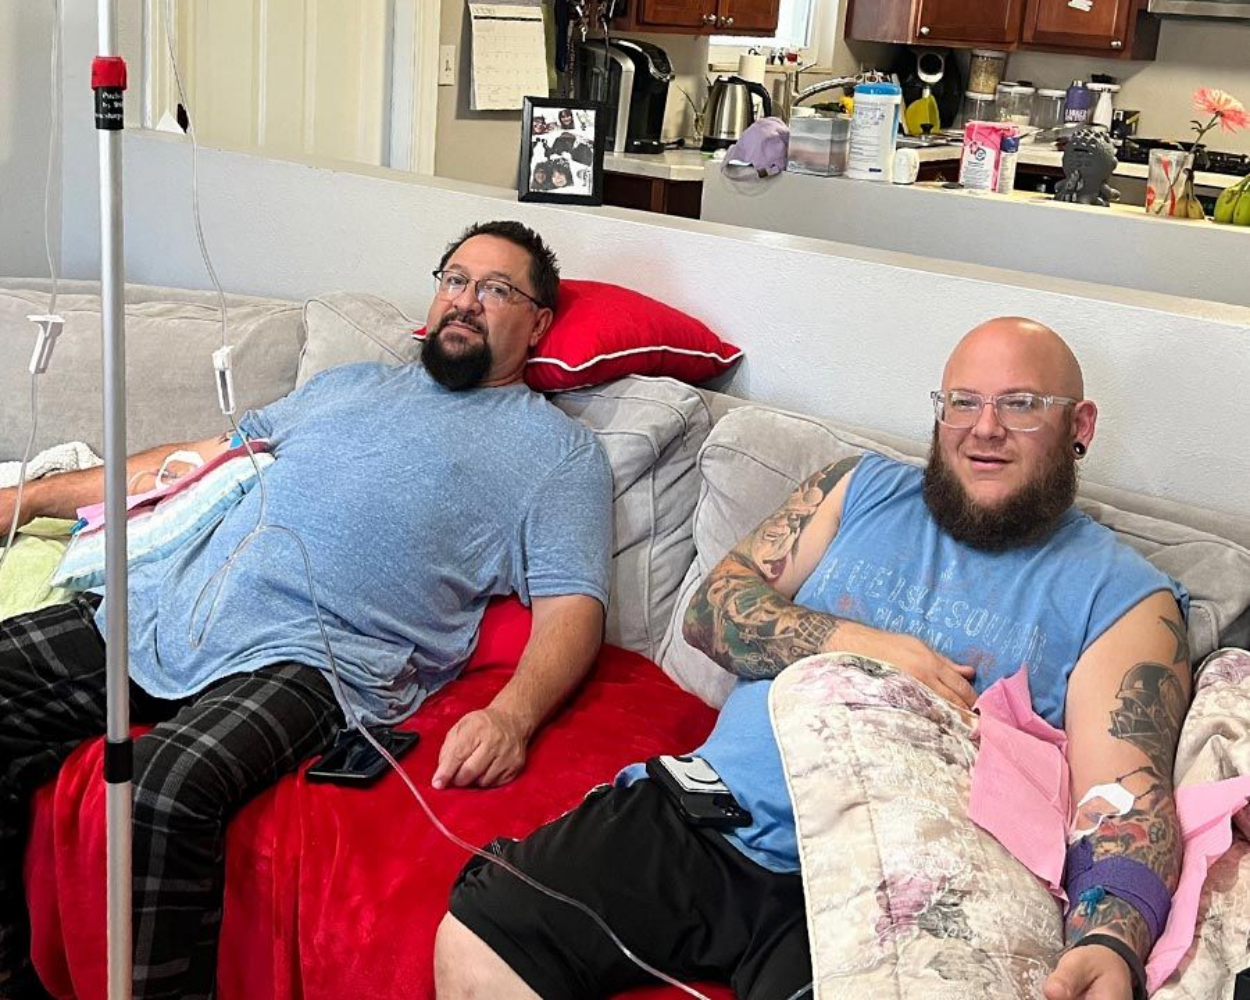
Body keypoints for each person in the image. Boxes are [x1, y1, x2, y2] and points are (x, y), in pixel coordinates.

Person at [434, 317, 1190, 1000]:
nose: (983, 428)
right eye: (961, 402)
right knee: (479, 939)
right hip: (708, 812)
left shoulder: (1123, 597)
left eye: (1022, 405)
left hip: (888, 887)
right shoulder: (857, 489)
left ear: (1079, 425)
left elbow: (1124, 802)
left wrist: (1110, 941)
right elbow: (711, 611)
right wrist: (855, 646)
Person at [0, 220, 614, 1000]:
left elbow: (574, 607)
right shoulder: (348, 385)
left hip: (319, 659)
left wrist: (512, 716)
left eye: (497, 290)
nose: (466, 302)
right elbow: (195, 463)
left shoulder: (556, 452)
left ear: (539, 323)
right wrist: (23, 501)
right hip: (177, 603)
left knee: (161, 787)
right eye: (455, 279)